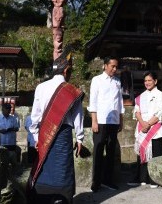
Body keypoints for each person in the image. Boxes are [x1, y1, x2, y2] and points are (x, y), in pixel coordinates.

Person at [27, 45, 84, 204]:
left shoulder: (40, 87)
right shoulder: (72, 90)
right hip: (63, 134)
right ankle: (63, 198)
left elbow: (35, 117)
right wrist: (79, 139)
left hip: (44, 134)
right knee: (62, 168)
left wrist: (35, 138)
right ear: (66, 71)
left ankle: (42, 197)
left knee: (43, 166)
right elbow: (78, 117)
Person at [88, 56, 125, 192]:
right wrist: (94, 120)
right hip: (101, 121)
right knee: (98, 151)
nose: (115, 69)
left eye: (116, 67)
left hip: (113, 121)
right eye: (112, 66)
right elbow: (93, 101)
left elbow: (120, 103)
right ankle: (96, 182)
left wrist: (121, 121)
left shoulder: (117, 82)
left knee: (110, 152)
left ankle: (108, 180)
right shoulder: (96, 80)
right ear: (105, 66)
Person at [127, 71, 162, 189]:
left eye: (150, 80)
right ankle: (142, 178)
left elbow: (160, 112)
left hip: (155, 128)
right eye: (145, 81)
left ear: (155, 81)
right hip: (142, 127)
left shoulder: (160, 94)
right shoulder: (141, 96)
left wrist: (148, 124)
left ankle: (155, 179)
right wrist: (143, 123)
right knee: (142, 154)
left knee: (156, 154)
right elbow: (136, 111)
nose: (147, 83)